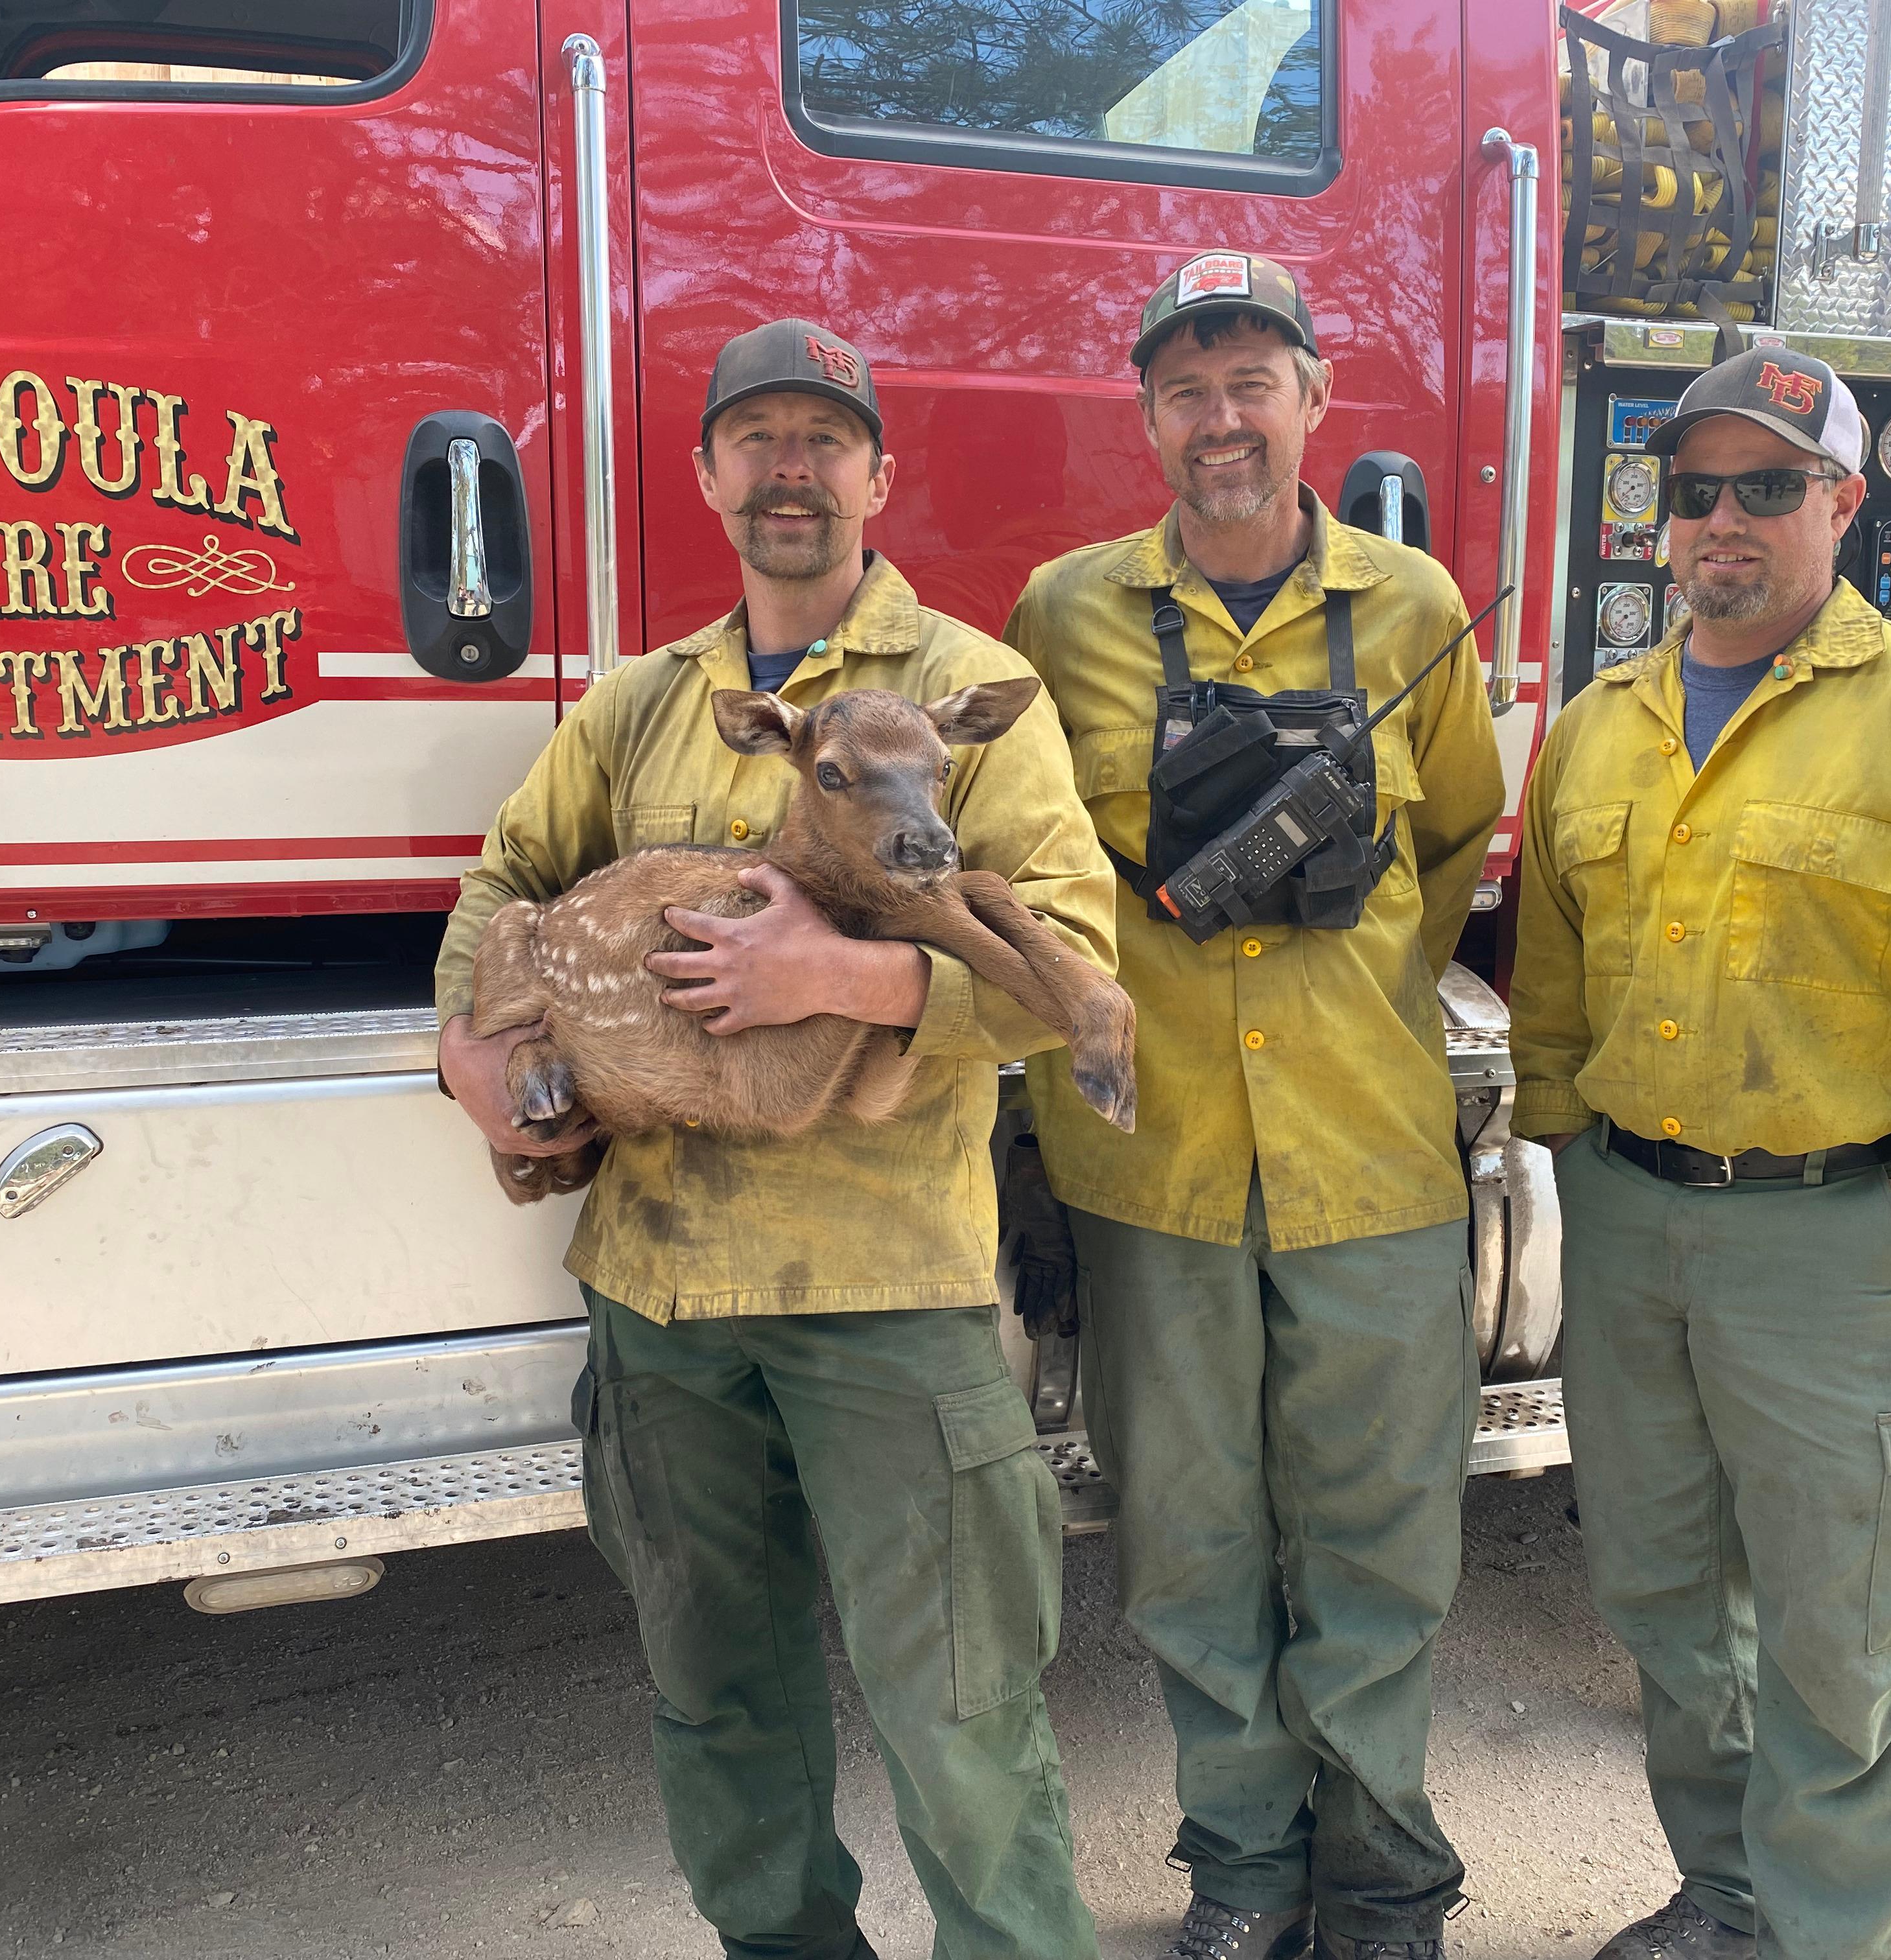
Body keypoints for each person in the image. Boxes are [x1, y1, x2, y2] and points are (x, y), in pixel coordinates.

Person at [434, 318, 1114, 1960]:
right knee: (717, 1698)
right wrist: (469, 1049)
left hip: (885, 1286)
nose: (791, 468)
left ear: (879, 475)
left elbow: (1075, 958)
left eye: (826, 439)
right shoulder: (650, 708)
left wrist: (847, 971)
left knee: (958, 1710)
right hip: (661, 1295)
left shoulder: (966, 699)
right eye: (759, 440)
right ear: (710, 478)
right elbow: (499, 889)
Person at [1509, 346, 1891, 1960]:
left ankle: (1834, 1933)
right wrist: (1570, 1159)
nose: (1724, 517)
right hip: (1634, 1222)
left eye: (1769, 485)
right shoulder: (1600, 726)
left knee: (1844, 1626)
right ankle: (1726, 1899)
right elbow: (1556, 975)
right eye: (1693, 487)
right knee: (1662, 1596)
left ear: (1842, 502)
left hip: (1837, 1237)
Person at [1003, 252, 1508, 1960]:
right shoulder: (1062, 615)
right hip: (1154, 1168)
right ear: (1149, 415)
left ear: (1312, 398)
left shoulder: (1419, 610)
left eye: (1252, 382)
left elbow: (1446, 857)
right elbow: (1032, 871)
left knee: (1379, 1540)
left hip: (1369, 1157)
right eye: (1187, 390)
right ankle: (1240, 1871)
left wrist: (1336, 995)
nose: (1222, 420)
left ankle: (1380, 1884)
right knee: (1192, 1538)